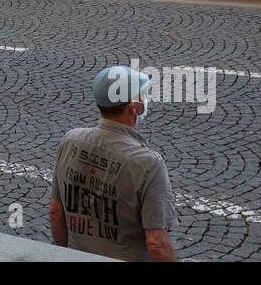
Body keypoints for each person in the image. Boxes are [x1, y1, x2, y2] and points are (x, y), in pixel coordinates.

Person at [48, 66, 178, 262]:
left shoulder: (70, 140)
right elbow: (156, 243)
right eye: (142, 95)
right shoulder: (148, 164)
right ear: (134, 107)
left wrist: (65, 254)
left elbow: (56, 210)